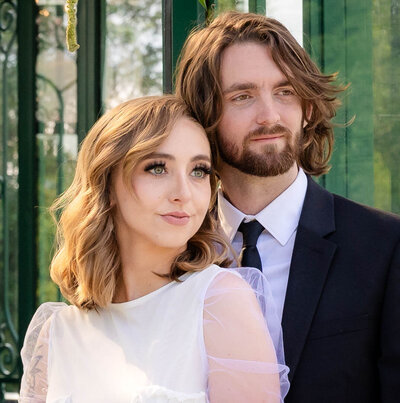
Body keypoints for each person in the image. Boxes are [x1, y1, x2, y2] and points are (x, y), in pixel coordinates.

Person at [175, 11, 400, 403]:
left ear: (308, 107)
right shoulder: (171, 247)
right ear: (202, 116)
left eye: (286, 92)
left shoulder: (386, 246)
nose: (270, 116)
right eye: (242, 96)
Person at [19, 95, 289, 402]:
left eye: (198, 171)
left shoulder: (219, 302)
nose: (183, 193)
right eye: (158, 168)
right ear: (107, 186)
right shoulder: (57, 336)